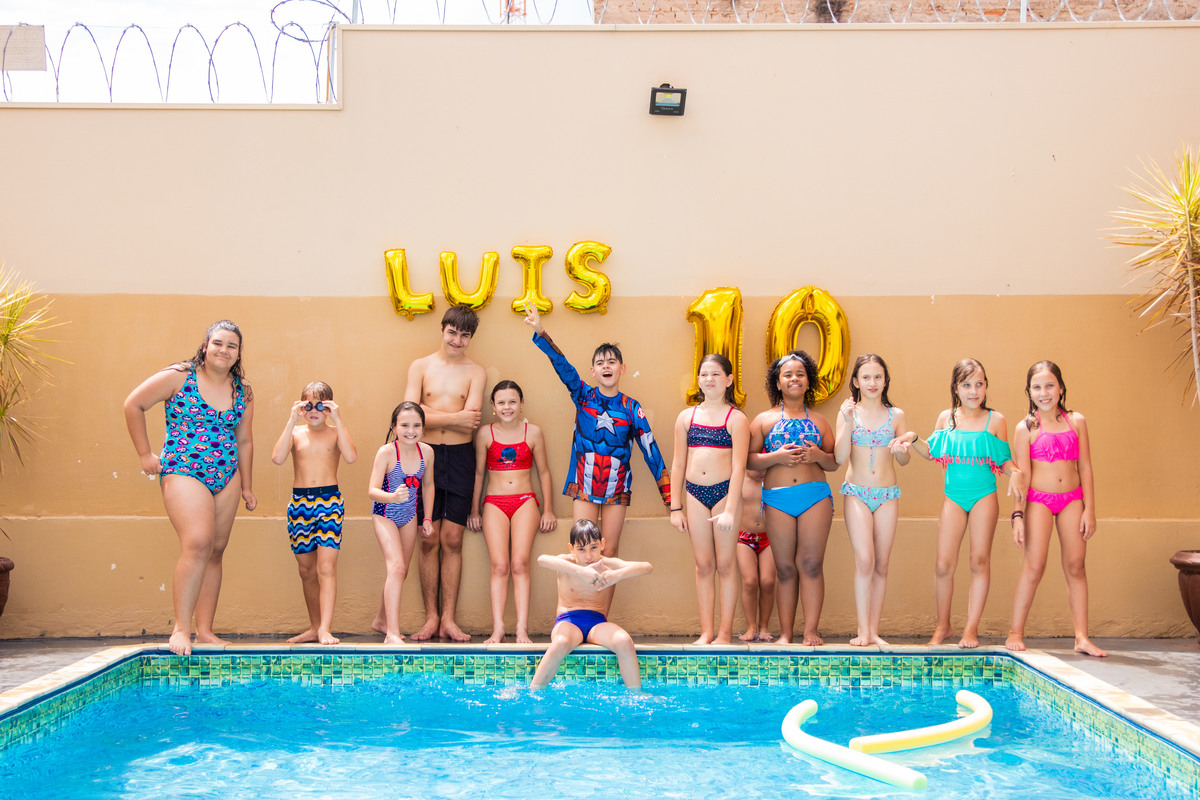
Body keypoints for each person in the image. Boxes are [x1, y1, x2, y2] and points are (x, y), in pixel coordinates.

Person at [123, 320, 256, 656]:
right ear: (205, 345)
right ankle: (180, 629)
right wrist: (144, 454)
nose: (224, 351)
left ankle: (205, 631)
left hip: (227, 473)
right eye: (218, 343)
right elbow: (133, 404)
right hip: (184, 468)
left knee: (215, 550)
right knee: (197, 542)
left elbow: (244, 439)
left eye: (232, 346)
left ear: (239, 353)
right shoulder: (180, 376)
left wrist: (247, 486)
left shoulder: (243, 390)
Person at [522, 302, 670, 557]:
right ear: (593, 371)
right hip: (584, 486)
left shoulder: (632, 408)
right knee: (582, 551)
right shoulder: (583, 396)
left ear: (621, 369)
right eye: (600, 363)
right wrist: (541, 331)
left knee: (609, 552)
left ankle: (602, 600)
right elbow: (561, 364)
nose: (606, 366)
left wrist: (670, 500)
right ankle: (579, 600)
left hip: (617, 487)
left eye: (611, 362)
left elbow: (651, 451)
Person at [899, 358, 1024, 648]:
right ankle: (943, 626)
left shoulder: (996, 420)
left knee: (979, 561)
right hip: (953, 498)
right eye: (967, 384)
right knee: (943, 564)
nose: (974, 391)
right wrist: (912, 438)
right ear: (956, 388)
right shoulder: (947, 418)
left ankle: (971, 629)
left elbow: (1004, 461)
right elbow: (931, 452)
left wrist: (1015, 472)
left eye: (979, 384)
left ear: (986, 387)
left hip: (984, 496)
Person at [395, 304, 486, 642]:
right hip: (424, 457)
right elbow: (409, 417)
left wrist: (431, 414)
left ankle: (449, 618)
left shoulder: (476, 372)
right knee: (428, 537)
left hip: (461, 457)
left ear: (470, 338)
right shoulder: (420, 367)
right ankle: (430, 618)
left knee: (453, 539)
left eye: (464, 335)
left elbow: (472, 419)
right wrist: (454, 417)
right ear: (442, 329)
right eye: (452, 332)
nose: (457, 340)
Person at [1006, 361, 1106, 657]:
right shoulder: (1025, 428)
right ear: (1029, 392)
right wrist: (1018, 516)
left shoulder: (1076, 421)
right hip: (1038, 500)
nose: (1044, 392)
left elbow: (1085, 466)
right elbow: (1020, 477)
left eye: (1050, 385)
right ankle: (1015, 631)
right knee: (1034, 566)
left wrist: (1090, 509)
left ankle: (1081, 637)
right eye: (1037, 387)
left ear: (1061, 387)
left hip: (1072, 499)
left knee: (1076, 565)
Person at [748, 351, 837, 646]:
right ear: (778, 382)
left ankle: (810, 630)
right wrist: (777, 457)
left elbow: (833, 463)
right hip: (777, 499)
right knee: (785, 567)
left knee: (811, 564)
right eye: (787, 374)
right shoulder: (764, 420)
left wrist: (818, 455)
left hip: (814, 496)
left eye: (800, 373)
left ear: (808, 381)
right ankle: (786, 633)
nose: (794, 378)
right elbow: (749, 461)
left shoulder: (821, 421)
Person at [467, 380, 558, 644]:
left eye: (512, 401)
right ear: (493, 407)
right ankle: (498, 628)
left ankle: (521, 629)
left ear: (521, 403)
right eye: (501, 402)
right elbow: (479, 474)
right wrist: (475, 511)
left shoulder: (533, 433)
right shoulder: (485, 434)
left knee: (520, 563)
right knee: (499, 565)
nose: (507, 407)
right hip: (494, 502)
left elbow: (544, 472)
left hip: (525, 502)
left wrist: (549, 510)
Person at [669, 354, 750, 645]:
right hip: (694, 494)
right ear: (698, 380)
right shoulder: (686, 417)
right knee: (704, 565)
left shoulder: (736, 419)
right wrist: (675, 507)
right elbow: (678, 464)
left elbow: (740, 467)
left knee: (726, 565)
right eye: (704, 374)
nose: (710, 379)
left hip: (725, 494)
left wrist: (730, 510)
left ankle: (725, 633)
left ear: (728, 380)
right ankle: (707, 632)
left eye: (716, 374)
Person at [270, 381, 358, 645]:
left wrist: (339, 420)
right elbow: (277, 458)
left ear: (329, 407)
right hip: (299, 505)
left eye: (321, 404)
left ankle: (325, 629)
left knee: (326, 567)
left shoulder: (335, 433)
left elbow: (352, 457)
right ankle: (314, 626)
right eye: (308, 405)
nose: (314, 410)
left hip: (329, 503)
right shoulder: (296, 433)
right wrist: (290, 420)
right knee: (306, 570)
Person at [833, 354, 911, 647]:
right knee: (864, 560)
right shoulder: (849, 414)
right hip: (857, 492)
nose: (872, 383)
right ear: (856, 382)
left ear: (885, 380)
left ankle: (873, 630)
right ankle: (862, 630)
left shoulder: (897, 415)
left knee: (881, 564)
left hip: (888, 494)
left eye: (878, 377)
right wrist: (845, 420)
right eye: (866, 377)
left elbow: (903, 460)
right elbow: (840, 458)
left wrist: (901, 448)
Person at [530, 520, 652, 691]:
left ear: (602, 544)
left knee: (624, 641)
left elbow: (647, 567)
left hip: (597, 623)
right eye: (581, 549)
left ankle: (636, 695)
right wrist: (580, 571)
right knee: (560, 643)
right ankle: (533, 692)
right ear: (571, 548)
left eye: (593, 548)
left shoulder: (606, 564)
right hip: (569, 620)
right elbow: (542, 560)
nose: (588, 556)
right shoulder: (567, 562)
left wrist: (618, 575)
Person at [368, 401, 435, 644]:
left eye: (416, 425)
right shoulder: (386, 452)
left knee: (402, 571)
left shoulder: (426, 452)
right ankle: (392, 634)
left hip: (409, 516)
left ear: (423, 428)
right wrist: (392, 497)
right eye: (405, 425)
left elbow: (428, 485)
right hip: (384, 513)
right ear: (394, 426)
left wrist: (427, 517)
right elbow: (372, 490)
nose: (411, 430)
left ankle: (381, 620)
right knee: (395, 567)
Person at [735, 469, 775, 643]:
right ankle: (751, 626)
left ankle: (764, 626)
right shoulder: (738, 479)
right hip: (743, 537)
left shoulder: (773, 480)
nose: (761, 471)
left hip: (769, 537)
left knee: (768, 581)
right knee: (750, 581)